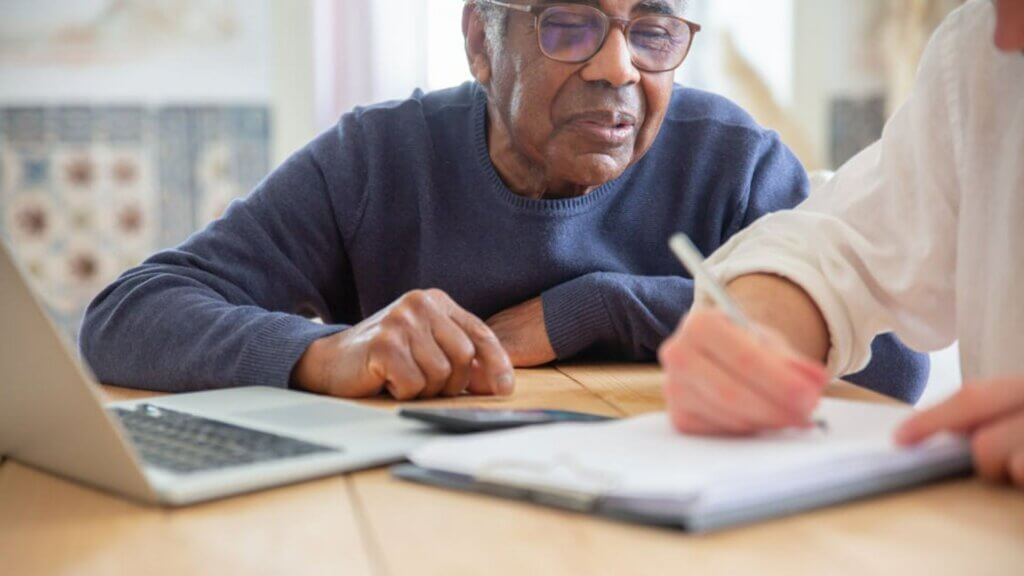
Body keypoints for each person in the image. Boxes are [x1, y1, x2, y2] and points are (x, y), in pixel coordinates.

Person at [80, 0, 925, 402]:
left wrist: (599, 306)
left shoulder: (732, 161)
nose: (618, 68)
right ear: (482, 42)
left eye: (652, 30)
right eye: (569, 24)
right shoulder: (379, 157)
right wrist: (324, 353)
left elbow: (892, 365)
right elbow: (125, 316)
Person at [659, 0, 1024, 488]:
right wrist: (755, 334)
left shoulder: (730, 149)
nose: (1004, 30)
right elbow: (837, 244)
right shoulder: (979, 55)